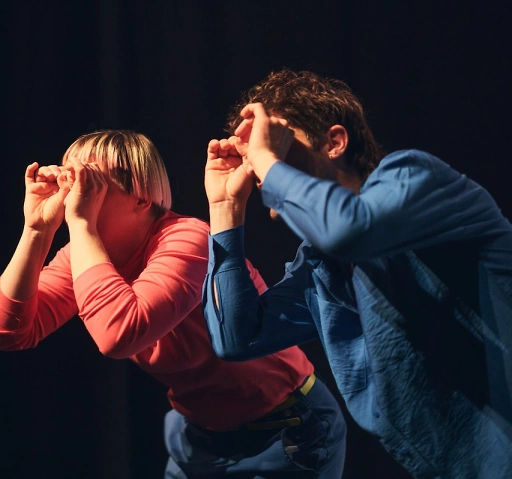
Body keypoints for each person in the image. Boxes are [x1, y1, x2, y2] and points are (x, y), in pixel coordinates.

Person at [202, 69, 512, 478]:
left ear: (334, 142)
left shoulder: (416, 178)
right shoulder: (320, 268)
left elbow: (348, 230)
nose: (259, 167)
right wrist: (225, 208)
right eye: (253, 154)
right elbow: (237, 338)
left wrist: (265, 159)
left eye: (275, 141)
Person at [0, 129, 347, 478]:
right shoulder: (81, 255)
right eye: (71, 180)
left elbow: (119, 335)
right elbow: (5, 333)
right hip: (199, 435)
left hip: (283, 429)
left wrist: (81, 225)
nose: (75, 193)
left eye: (91, 182)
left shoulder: (188, 239)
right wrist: (36, 230)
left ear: (141, 198)